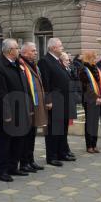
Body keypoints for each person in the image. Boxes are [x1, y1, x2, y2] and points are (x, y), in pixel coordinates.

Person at [0, 39, 33, 182]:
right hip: (9, 112)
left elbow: (25, 86)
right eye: (17, 48)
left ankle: (13, 167)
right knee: (5, 142)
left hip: (21, 109)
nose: (19, 50)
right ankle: (2, 170)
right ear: (9, 51)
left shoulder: (17, 64)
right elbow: (0, 93)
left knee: (18, 140)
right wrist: (6, 113)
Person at [38, 38, 74, 167]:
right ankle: (52, 156)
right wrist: (48, 100)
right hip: (54, 100)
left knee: (62, 128)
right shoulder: (45, 61)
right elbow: (46, 82)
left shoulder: (57, 61)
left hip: (63, 100)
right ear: (53, 48)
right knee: (53, 130)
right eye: (60, 46)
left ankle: (62, 152)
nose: (62, 48)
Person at [18, 42, 48, 172]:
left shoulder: (33, 65)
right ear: (24, 52)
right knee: (25, 136)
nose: (36, 52)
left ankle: (30, 160)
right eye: (33, 50)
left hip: (36, 106)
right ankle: (24, 162)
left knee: (32, 135)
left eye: (36, 50)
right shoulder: (21, 65)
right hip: (28, 106)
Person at [79, 51, 101, 153]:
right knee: (90, 122)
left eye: (96, 57)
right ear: (88, 58)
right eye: (93, 57)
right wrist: (96, 98)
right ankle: (89, 145)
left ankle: (94, 144)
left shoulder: (97, 69)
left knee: (95, 122)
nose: (95, 59)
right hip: (89, 100)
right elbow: (85, 87)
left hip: (98, 99)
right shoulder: (83, 70)